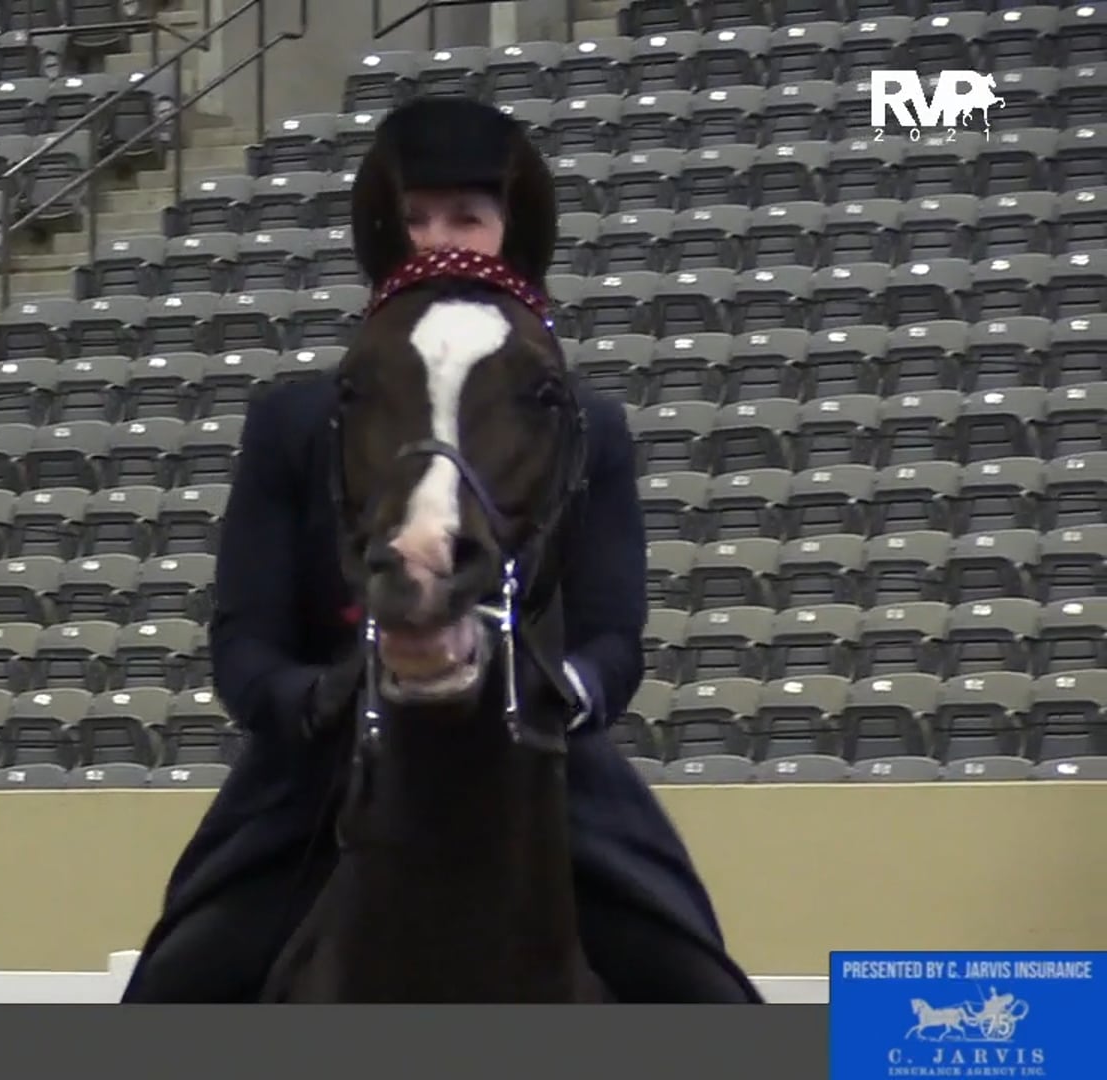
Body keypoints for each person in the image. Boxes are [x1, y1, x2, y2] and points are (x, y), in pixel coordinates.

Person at [121, 95, 762, 1004]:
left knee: (703, 989)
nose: (436, 242)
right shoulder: (293, 421)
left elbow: (615, 638)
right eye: (416, 220)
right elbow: (245, 647)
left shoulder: (591, 424)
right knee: (177, 985)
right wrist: (325, 696)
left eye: (466, 218)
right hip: (324, 776)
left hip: (536, 768)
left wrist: (555, 690)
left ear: (512, 229)